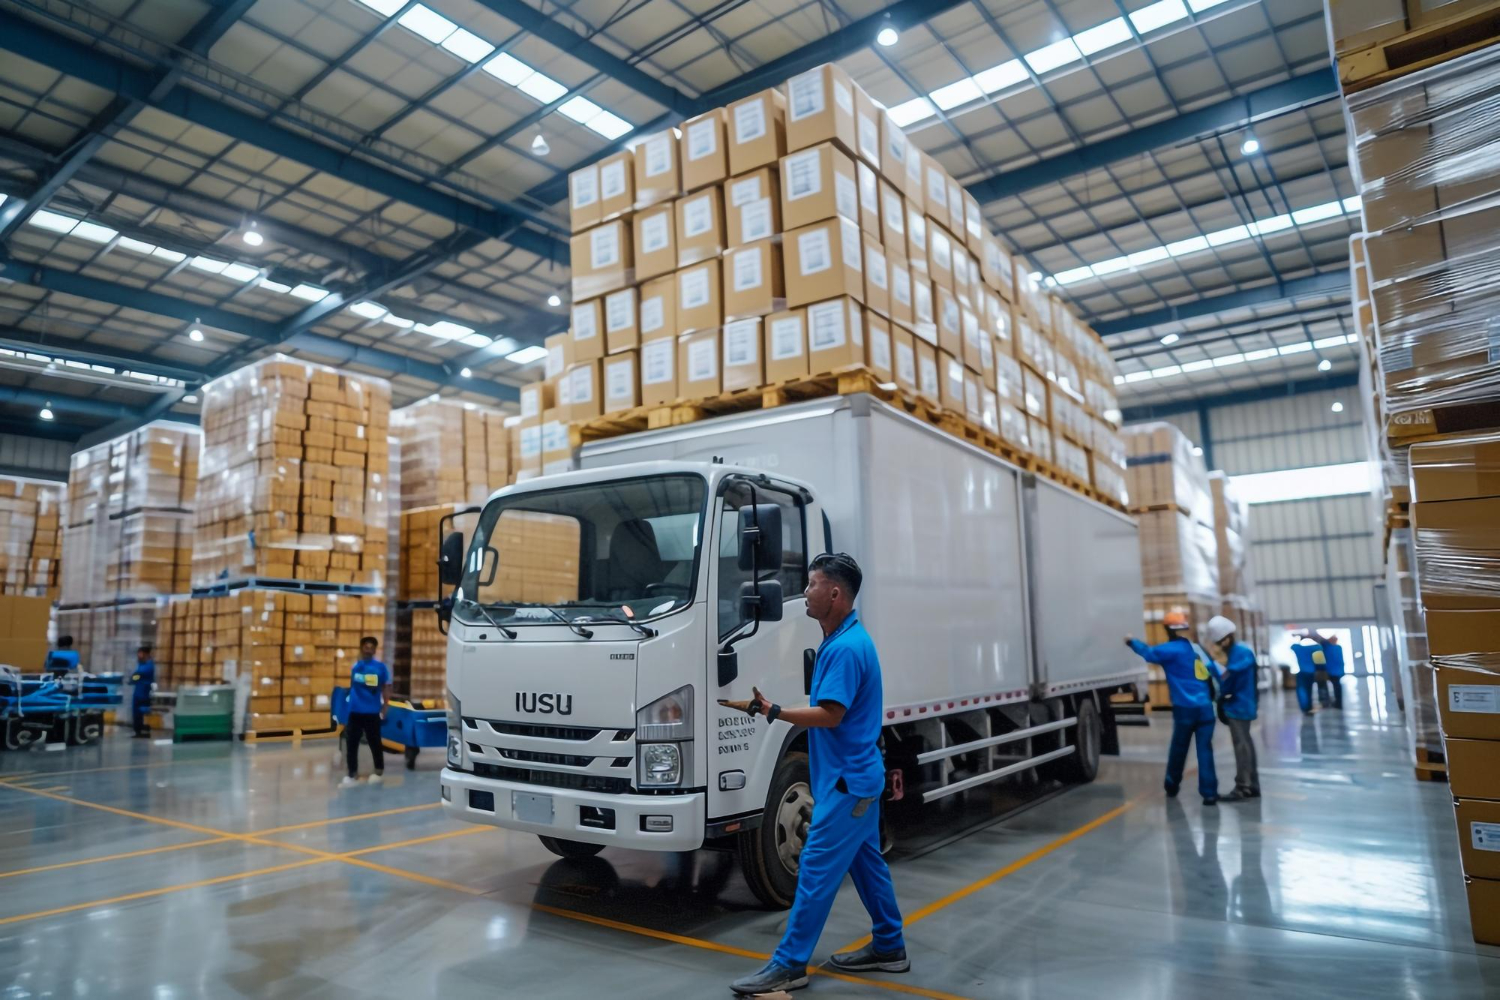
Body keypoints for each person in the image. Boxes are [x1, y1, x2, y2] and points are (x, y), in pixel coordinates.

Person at [724, 553, 906, 996]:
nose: (805, 593)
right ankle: (889, 945)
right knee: (868, 866)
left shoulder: (845, 648)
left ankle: (789, 965)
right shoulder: (842, 638)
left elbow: (830, 714)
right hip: (855, 779)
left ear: (835, 593)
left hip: (847, 785)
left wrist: (773, 711)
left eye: (812, 585)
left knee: (815, 871)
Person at [1125, 612, 1221, 805]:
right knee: (1205, 749)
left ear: (1166, 629)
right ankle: (1209, 793)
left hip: (1184, 708)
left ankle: (1172, 785)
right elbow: (1215, 673)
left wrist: (1131, 641)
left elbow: (1148, 653)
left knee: (1179, 748)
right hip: (1205, 708)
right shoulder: (1197, 649)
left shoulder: (1169, 650)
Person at [1205, 616, 1258, 802]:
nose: (1219, 646)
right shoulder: (1238, 651)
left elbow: (1230, 677)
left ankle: (1243, 787)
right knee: (1245, 744)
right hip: (1240, 704)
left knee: (1241, 745)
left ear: (1227, 638)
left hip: (1240, 705)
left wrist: (1211, 668)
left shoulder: (1241, 653)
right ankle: (1252, 785)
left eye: (1219, 642)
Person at [339, 637, 390, 788]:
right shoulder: (356, 666)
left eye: (371, 647)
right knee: (352, 743)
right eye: (366, 647)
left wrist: (385, 706)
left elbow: (386, 687)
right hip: (355, 711)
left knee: (375, 742)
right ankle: (352, 773)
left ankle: (378, 771)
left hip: (372, 711)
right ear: (361, 648)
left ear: (375, 650)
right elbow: (352, 687)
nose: (368, 650)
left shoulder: (380, 667)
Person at [128, 645, 156, 739]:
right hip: (138, 690)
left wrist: (133, 678)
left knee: (142, 710)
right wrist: (133, 678)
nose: (139, 655)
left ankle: (142, 730)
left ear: (146, 654)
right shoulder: (142, 664)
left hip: (144, 691)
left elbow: (138, 675)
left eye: (140, 653)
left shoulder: (149, 665)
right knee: (136, 712)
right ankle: (138, 730)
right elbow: (136, 676)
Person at [1290, 638, 1319, 715]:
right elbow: (1319, 660)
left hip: (1302, 672)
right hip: (1311, 671)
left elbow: (1293, 646)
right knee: (1309, 690)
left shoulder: (1298, 648)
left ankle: (1305, 708)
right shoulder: (1315, 648)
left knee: (1302, 691)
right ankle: (1309, 707)